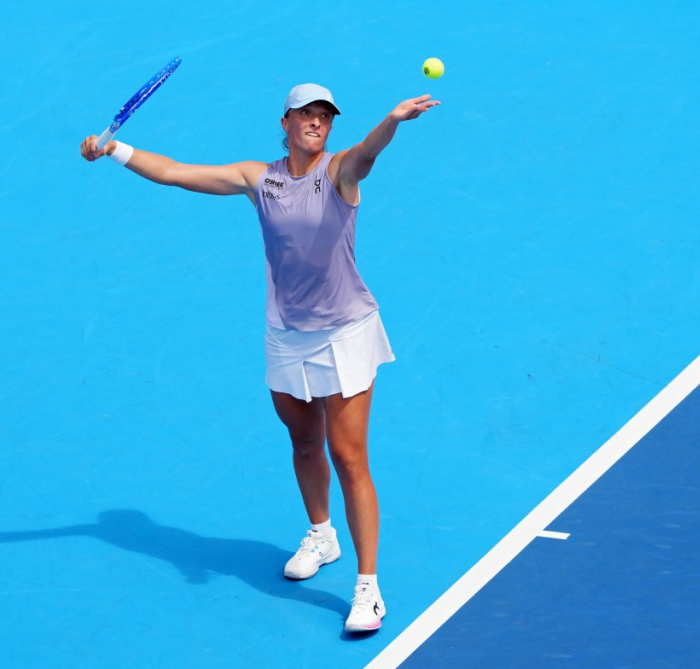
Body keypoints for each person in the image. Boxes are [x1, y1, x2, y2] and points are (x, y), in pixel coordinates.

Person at [80, 83, 439, 633]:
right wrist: (114, 150)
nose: (316, 122)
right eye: (306, 114)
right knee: (303, 442)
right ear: (285, 122)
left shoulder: (340, 171)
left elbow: (367, 152)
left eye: (325, 116)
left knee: (349, 458)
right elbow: (176, 172)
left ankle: (368, 587)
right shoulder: (259, 178)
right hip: (286, 334)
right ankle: (322, 535)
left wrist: (392, 120)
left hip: (345, 333)